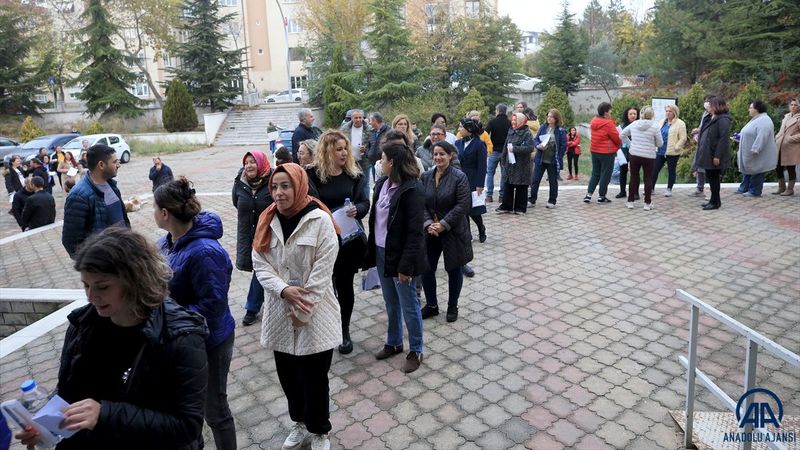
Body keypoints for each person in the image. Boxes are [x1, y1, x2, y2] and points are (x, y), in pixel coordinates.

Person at [14, 227, 208, 450]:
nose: (91, 296)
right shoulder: (83, 324)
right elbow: (69, 390)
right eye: (86, 285)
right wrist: (45, 423)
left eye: (102, 286)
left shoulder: (181, 337)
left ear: (136, 280)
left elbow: (186, 426)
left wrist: (105, 414)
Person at [251, 163, 341, 450]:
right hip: (279, 311)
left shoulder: (320, 221)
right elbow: (260, 265)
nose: (278, 193)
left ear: (299, 185)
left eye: (285, 186)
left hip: (315, 314)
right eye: (274, 187)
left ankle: (320, 431)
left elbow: (322, 272)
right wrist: (284, 290)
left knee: (315, 379)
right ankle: (300, 423)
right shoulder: (268, 220)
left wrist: (303, 310)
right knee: (289, 377)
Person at [154, 177, 237, 450]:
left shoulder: (204, 251)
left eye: (155, 208)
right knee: (189, 409)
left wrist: (170, 317)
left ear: (165, 213)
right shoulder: (166, 243)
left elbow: (212, 305)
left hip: (211, 340)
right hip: (182, 338)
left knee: (215, 409)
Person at [306, 130, 369, 355]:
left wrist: (357, 210)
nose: (344, 153)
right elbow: (309, 203)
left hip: (348, 241)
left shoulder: (354, 174)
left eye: (345, 148)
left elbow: (365, 202)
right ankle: (322, 326)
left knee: (344, 286)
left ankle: (344, 330)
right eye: (339, 149)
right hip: (322, 241)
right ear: (326, 151)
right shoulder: (312, 175)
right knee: (322, 286)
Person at [365, 141, 426, 373]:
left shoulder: (412, 189)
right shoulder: (381, 183)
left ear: (392, 162)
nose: (379, 162)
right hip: (382, 251)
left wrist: (406, 265)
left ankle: (416, 349)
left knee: (409, 304)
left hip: (401, 256)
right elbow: (376, 220)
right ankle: (394, 342)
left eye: (382, 158)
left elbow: (414, 233)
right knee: (390, 301)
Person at [420, 141, 472, 323]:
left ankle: (452, 305)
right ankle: (432, 305)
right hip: (431, 231)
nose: (438, 158)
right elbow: (422, 204)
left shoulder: (459, 177)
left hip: (453, 230)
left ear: (450, 155)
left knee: (454, 268)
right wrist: (428, 224)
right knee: (426, 268)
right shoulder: (426, 177)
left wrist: (443, 224)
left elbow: (463, 205)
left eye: (442, 154)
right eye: (435, 154)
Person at [62, 144, 130, 258]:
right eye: (114, 162)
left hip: (122, 257)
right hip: (104, 265)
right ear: (101, 165)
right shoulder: (79, 196)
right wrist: (96, 264)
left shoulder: (112, 186)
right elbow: (71, 242)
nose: (119, 165)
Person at [233, 151, 274, 326]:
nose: (249, 165)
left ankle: (252, 307)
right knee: (261, 268)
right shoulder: (240, 182)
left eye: (252, 162)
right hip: (247, 233)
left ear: (261, 163)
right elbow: (237, 202)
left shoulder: (272, 180)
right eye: (246, 162)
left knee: (261, 269)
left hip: (268, 234)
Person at [620, 106, 663, 211]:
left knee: (634, 177)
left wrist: (631, 144)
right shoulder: (655, 126)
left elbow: (622, 135)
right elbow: (660, 143)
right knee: (648, 178)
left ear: (641, 114)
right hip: (649, 156)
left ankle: (630, 202)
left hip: (634, 154)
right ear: (652, 115)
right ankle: (647, 203)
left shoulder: (634, 124)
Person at [735, 100, 778, 197]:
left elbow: (763, 136)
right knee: (748, 170)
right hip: (748, 151)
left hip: (756, 152)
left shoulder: (764, 120)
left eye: (751, 108)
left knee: (757, 170)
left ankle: (755, 191)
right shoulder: (756, 119)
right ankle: (744, 188)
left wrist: (756, 148)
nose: (749, 110)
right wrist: (739, 137)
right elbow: (749, 133)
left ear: (757, 109)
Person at [695, 96, 732, 210]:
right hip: (707, 153)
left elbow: (723, 139)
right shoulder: (710, 117)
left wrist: (717, 156)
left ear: (717, 106)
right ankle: (714, 200)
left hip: (714, 154)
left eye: (711, 105)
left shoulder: (723, 119)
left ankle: (715, 202)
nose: (708, 106)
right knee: (710, 178)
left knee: (714, 178)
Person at [455, 117, 488, 243]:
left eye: (461, 127)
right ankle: (467, 234)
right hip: (459, 177)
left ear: (469, 129)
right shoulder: (458, 143)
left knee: (472, 209)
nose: (459, 129)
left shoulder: (479, 144)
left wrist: (480, 184)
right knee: (462, 209)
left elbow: (482, 166)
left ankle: (481, 228)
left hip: (473, 178)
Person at [497, 112, 535, 214]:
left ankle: (520, 207)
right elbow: (506, 146)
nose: (513, 122)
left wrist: (515, 149)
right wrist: (503, 159)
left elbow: (530, 147)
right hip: (510, 164)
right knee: (508, 184)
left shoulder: (527, 133)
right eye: (512, 120)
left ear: (521, 122)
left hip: (521, 165)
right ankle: (506, 206)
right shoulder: (511, 131)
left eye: (515, 120)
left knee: (521, 186)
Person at [584, 102, 622, 204]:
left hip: (594, 150)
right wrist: (619, 146)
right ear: (606, 112)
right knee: (605, 174)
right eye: (610, 110)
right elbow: (616, 138)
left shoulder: (594, 121)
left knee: (595, 173)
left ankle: (588, 195)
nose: (611, 112)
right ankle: (602, 196)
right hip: (607, 152)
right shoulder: (608, 123)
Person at [530, 109, 567, 209]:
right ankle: (532, 200)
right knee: (535, 180)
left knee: (553, 181)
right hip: (540, 158)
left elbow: (563, 145)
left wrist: (558, 155)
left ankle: (552, 200)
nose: (548, 118)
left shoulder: (561, 130)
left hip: (553, 160)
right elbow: (536, 139)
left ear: (556, 119)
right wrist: (538, 146)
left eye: (551, 117)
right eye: (548, 116)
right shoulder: (543, 127)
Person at [652, 104, 688, 197]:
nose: (668, 113)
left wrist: (676, 147)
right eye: (667, 111)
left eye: (670, 111)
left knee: (671, 170)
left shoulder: (680, 123)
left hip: (672, 152)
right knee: (655, 170)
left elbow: (683, 138)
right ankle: (651, 188)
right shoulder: (661, 122)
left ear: (674, 112)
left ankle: (669, 189)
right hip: (660, 150)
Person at [485, 104, 511, 203]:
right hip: (506, 151)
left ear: (498, 111)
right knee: (504, 174)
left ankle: (489, 196)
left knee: (490, 173)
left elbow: (485, 133)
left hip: (494, 151)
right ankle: (501, 196)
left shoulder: (492, 121)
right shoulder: (509, 123)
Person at [773, 97, 799, 196]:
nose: (793, 106)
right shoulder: (786, 116)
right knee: (778, 166)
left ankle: (790, 189)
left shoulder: (799, 118)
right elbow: (781, 130)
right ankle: (781, 187)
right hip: (780, 145)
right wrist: (777, 137)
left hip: (791, 148)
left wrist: (790, 138)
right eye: (791, 105)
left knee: (790, 168)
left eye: (795, 105)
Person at [340, 110, 372, 192]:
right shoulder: (345, 128)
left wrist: (366, 149)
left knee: (365, 183)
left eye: (360, 117)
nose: (358, 119)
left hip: (364, 161)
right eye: (356, 118)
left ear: (363, 118)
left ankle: (366, 203)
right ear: (352, 119)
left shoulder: (369, 128)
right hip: (350, 160)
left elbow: (373, 145)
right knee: (351, 183)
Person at [689, 96, 714, 197]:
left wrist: (699, 130)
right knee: (698, 166)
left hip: (709, 146)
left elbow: (709, 129)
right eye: (705, 101)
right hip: (701, 144)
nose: (706, 103)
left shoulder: (716, 116)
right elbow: (702, 127)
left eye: (708, 101)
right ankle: (700, 188)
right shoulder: (705, 113)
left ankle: (713, 194)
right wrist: (697, 132)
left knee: (708, 169)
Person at [615, 107, 639, 199]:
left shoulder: (639, 125)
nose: (633, 116)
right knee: (623, 171)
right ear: (627, 115)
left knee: (635, 172)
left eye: (635, 114)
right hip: (624, 152)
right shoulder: (622, 126)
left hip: (636, 151)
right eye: (631, 114)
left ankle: (635, 193)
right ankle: (622, 191)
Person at [366, 112, 391, 184]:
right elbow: (369, 145)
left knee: (385, 183)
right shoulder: (371, 132)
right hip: (373, 162)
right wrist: (368, 154)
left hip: (384, 162)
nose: (369, 123)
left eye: (370, 120)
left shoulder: (389, 131)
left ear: (375, 120)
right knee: (376, 184)